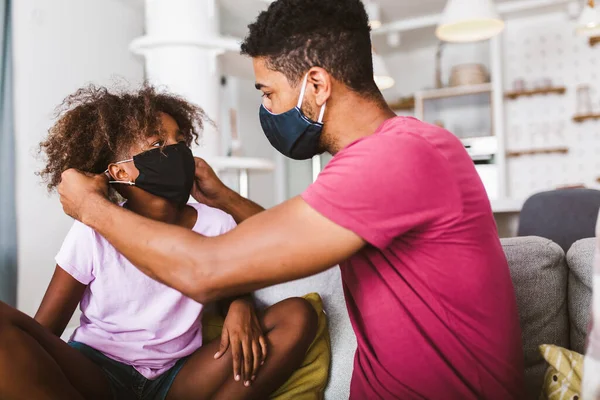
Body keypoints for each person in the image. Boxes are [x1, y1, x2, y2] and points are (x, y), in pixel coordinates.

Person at [56, 0, 525, 398]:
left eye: (269, 93)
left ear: (316, 85)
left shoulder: (398, 157)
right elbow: (290, 241)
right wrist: (225, 198)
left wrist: (90, 207)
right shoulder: (376, 159)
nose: (269, 110)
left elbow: (204, 271)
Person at [0, 85, 317, 400]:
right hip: (98, 370)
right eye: (158, 143)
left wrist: (241, 304)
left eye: (180, 140)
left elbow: (238, 276)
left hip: (177, 376)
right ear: (121, 171)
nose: (177, 150)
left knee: (297, 315)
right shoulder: (92, 227)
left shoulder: (215, 221)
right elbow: (43, 333)